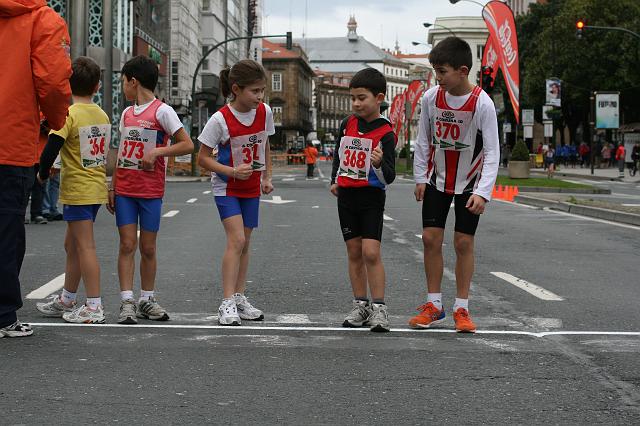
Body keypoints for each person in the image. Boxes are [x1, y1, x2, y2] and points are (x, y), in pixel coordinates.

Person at [410, 37, 499, 333]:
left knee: (463, 243)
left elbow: (492, 151)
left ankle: (463, 307)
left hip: (469, 184)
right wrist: (420, 177)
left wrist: (483, 192)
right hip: (437, 180)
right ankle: (434, 305)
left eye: (443, 71)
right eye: (435, 71)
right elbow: (423, 140)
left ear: (463, 70)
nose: (438, 77)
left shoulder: (482, 103)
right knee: (430, 239)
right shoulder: (431, 98)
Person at [0, 1, 71, 338]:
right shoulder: (43, 19)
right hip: (9, 143)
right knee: (6, 231)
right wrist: (56, 120)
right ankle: (2, 315)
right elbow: (54, 82)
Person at [109, 55, 194, 324]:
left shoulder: (162, 111)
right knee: (126, 244)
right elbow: (123, 150)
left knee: (148, 247)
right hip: (125, 188)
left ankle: (147, 299)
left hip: (150, 190)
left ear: (133, 81)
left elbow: (187, 144)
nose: (122, 87)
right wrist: (111, 185)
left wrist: (158, 151)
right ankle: (126, 302)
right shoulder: (125, 114)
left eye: (123, 81)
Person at [197, 59, 274, 326]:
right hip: (226, 186)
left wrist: (267, 176)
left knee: (246, 242)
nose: (260, 96)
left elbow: (264, 145)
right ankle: (226, 302)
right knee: (237, 240)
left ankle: (240, 297)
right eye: (254, 91)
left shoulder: (264, 112)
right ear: (236, 89)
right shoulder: (219, 119)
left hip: (251, 186)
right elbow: (202, 159)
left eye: (262, 90)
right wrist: (230, 172)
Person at [35, 57, 110, 323]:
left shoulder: (69, 114)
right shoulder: (101, 114)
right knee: (72, 245)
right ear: (97, 86)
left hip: (78, 189)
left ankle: (94, 306)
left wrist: (43, 174)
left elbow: (51, 148)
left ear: (67, 85)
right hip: (95, 188)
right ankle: (67, 298)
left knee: (85, 247)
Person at [329, 67, 396, 333]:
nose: (356, 103)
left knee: (371, 251)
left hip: (371, 195)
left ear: (379, 98)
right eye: (353, 98)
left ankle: (379, 308)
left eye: (362, 98)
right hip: (346, 195)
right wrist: (334, 178)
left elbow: (389, 175)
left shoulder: (386, 132)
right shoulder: (348, 123)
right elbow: (338, 152)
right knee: (354, 251)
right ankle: (360, 304)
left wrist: (378, 164)